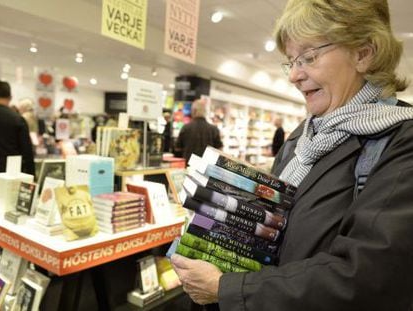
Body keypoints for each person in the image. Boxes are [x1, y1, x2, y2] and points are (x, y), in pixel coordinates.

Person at [171, 0, 413, 310]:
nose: (294, 76)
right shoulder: (302, 137)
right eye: (291, 61)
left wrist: (227, 289)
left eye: (309, 57)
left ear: (364, 53)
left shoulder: (400, 143)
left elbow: (367, 277)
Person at [0, 81, 35, 175]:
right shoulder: (18, 119)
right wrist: (32, 176)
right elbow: (27, 152)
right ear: (10, 97)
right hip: (10, 175)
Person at [174, 99, 223, 164]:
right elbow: (219, 149)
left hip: (188, 165)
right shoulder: (214, 129)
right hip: (206, 167)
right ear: (205, 112)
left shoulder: (186, 128)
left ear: (194, 111)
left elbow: (178, 148)